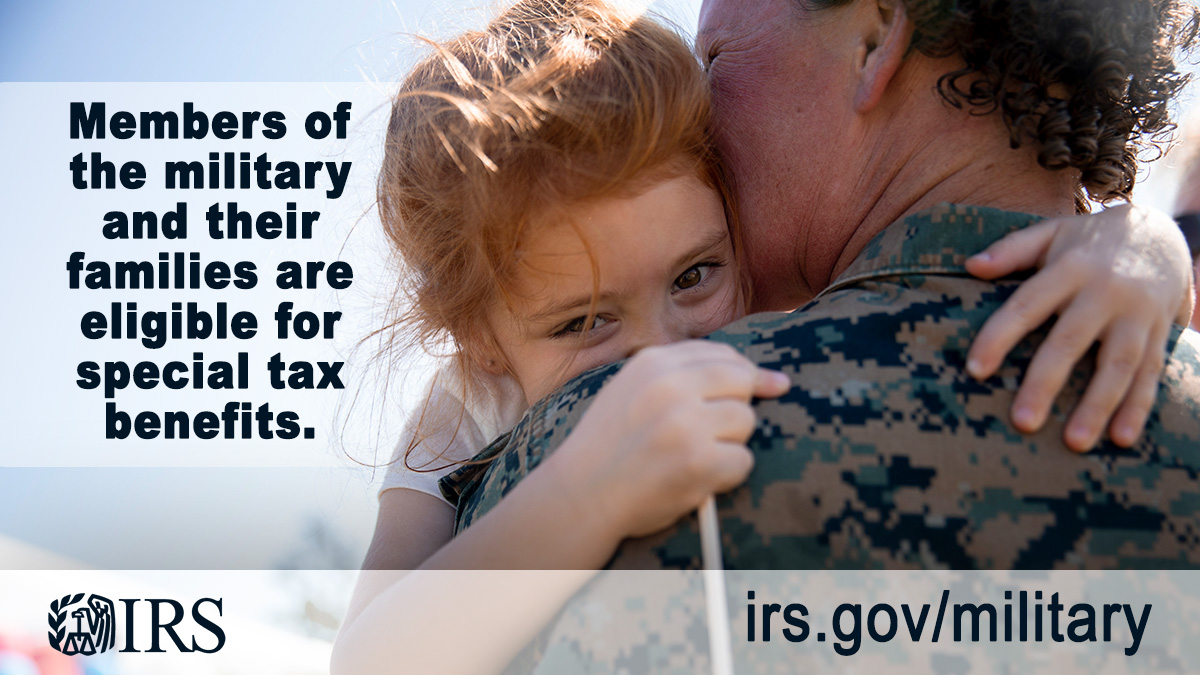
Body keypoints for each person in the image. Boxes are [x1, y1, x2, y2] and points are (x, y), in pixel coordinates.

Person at [333, 2, 1197, 672]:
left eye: (694, 276)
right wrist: (585, 494)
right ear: (481, 340)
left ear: (875, 41)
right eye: (584, 321)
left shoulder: (759, 283)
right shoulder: (470, 405)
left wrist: (1142, 241)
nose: (660, 354)